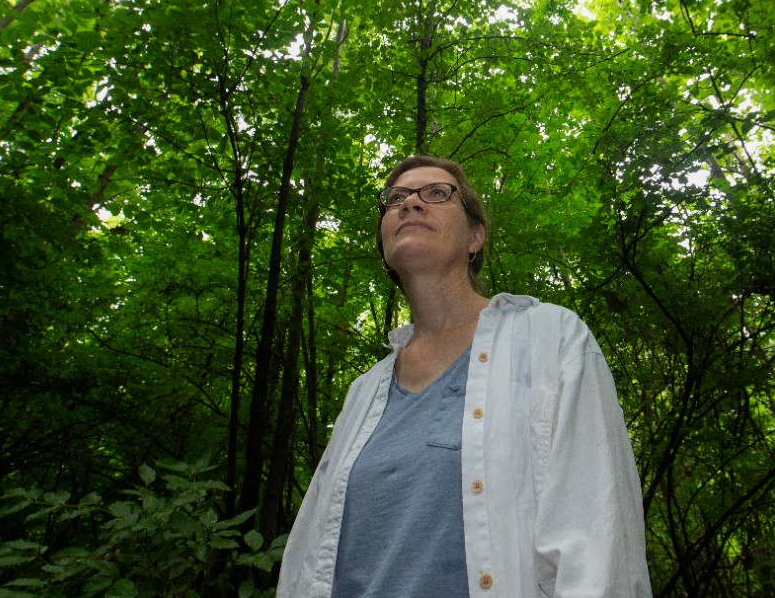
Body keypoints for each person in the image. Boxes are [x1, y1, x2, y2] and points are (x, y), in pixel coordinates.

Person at [278, 155, 651, 598]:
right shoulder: (363, 393)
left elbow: (598, 544)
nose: (409, 204)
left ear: (475, 236)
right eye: (394, 199)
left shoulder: (550, 340)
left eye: (436, 193)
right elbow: (307, 563)